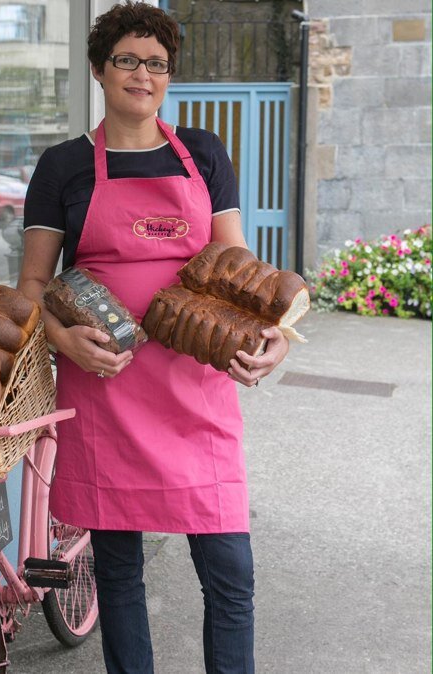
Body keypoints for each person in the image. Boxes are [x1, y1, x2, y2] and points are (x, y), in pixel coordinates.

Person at [18, 2, 290, 672]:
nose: (143, 74)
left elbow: (241, 274)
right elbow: (30, 288)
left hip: (196, 388)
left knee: (230, 571)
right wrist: (61, 339)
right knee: (118, 573)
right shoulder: (63, 167)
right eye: (128, 60)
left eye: (157, 64)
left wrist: (274, 334)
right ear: (99, 69)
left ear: (170, 75)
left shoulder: (202, 151)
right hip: (106, 386)